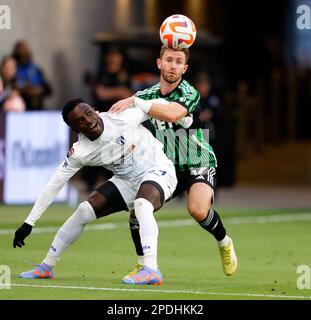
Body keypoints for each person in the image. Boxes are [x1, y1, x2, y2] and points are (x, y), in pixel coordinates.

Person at [13, 97, 180, 285]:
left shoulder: (122, 116)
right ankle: (46, 266)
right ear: (75, 130)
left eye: (88, 113)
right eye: (80, 121)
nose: (88, 121)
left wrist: (181, 113)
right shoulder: (81, 151)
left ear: (95, 110)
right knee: (84, 210)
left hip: (159, 170)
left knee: (142, 204)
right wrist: (29, 222)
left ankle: (151, 269)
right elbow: (54, 184)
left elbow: (161, 103)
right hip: (127, 181)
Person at [109, 46, 238, 279]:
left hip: (197, 159)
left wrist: (135, 100)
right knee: (137, 210)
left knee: (198, 210)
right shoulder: (145, 95)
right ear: (159, 63)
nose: (173, 65)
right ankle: (143, 264)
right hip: (166, 165)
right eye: (169, 60)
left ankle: (224, 241)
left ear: (185, 68)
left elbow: (171, 114)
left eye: (179, 62)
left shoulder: (189, 93)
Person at [12, 40, 52, 110]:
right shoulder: (12, 70)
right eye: (20, 51)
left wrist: (39, 89)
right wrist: (24, 90)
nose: (23, 53)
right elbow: (10, 90)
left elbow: (48, 90)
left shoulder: (36, 69)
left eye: (25, 51)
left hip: (37, 107)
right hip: (19, 108)